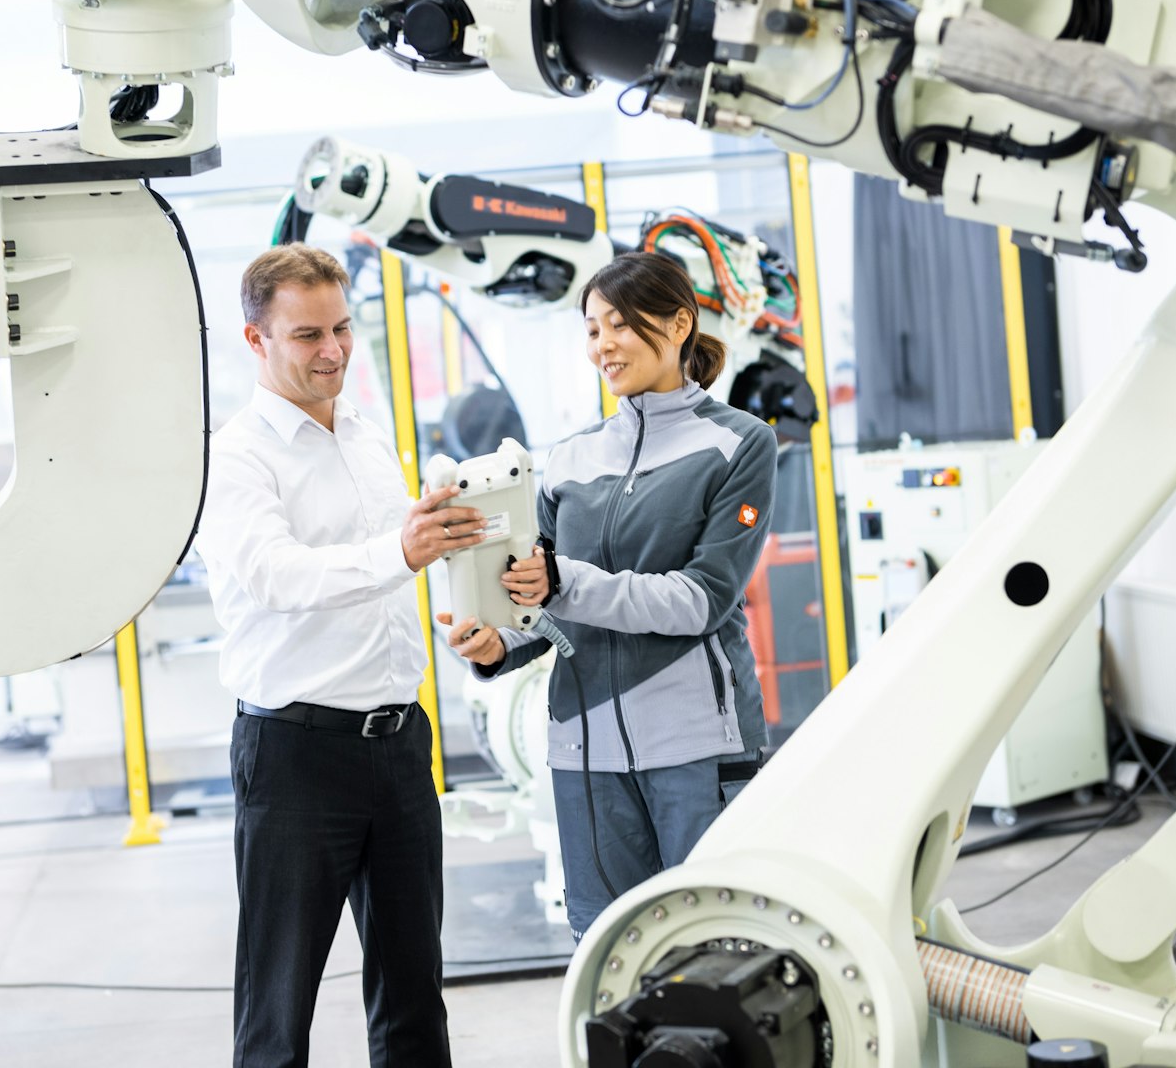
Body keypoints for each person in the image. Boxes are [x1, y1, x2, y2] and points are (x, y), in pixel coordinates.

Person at [196, 244, 485, 1068]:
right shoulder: (236, 455)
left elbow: (391, 580)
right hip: (296, 754)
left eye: (343, 328)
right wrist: (401, 550)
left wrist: (459, 606)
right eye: (306, 335)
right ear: (256, 341)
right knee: (279, 1007)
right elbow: (276, 576)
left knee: (413, 997)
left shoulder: (364, 434)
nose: (333, 351)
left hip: (398, 745)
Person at [444, 251, 776, 936]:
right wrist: (494, 642)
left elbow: (700, 600)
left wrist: (564, 582)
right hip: (582, 753)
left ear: (680, 323)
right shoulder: (566, 459)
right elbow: (538, 603)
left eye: (620, 325)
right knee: (607, 945)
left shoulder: (739, 444)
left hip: (695, 747)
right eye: (592, 329)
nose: (603, 345)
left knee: (713, 938)